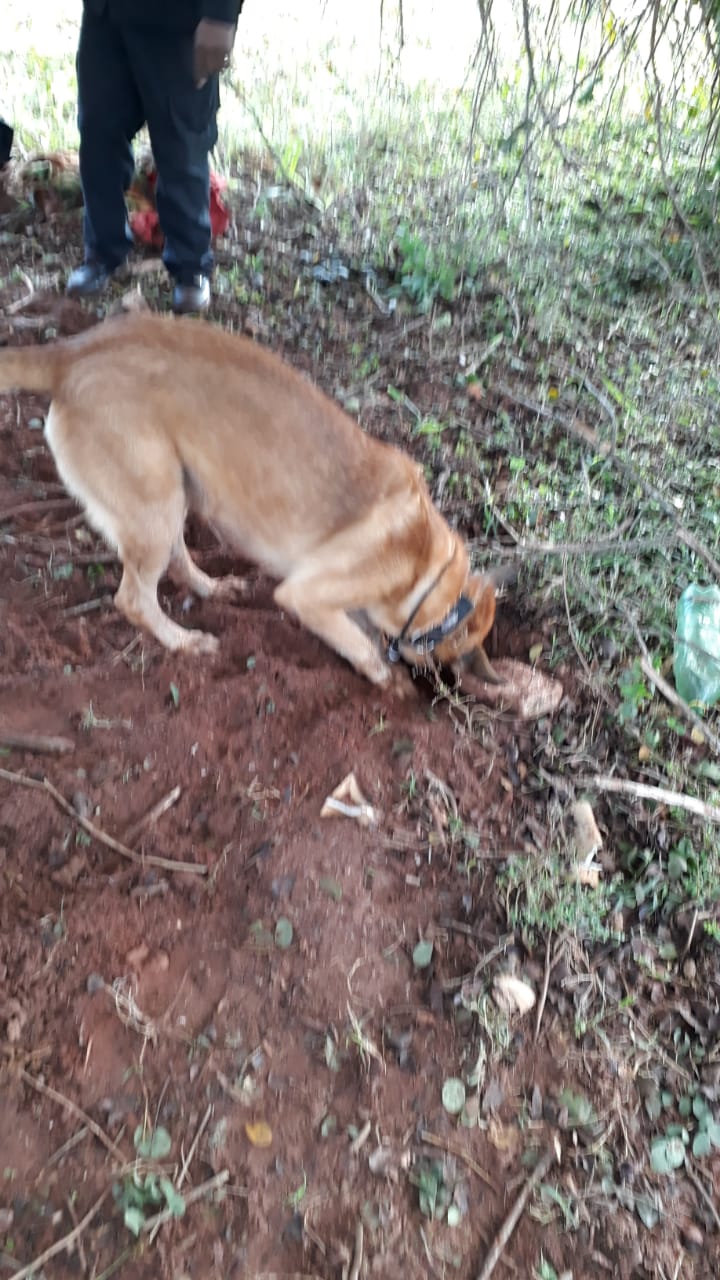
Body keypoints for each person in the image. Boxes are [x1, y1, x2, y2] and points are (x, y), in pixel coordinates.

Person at [67, 0, 242, 314]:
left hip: (177, 19)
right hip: (105, 15)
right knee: (98, 132)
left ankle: (190, 268)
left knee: (181, 145)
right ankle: (103, 251)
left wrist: (221, 14)